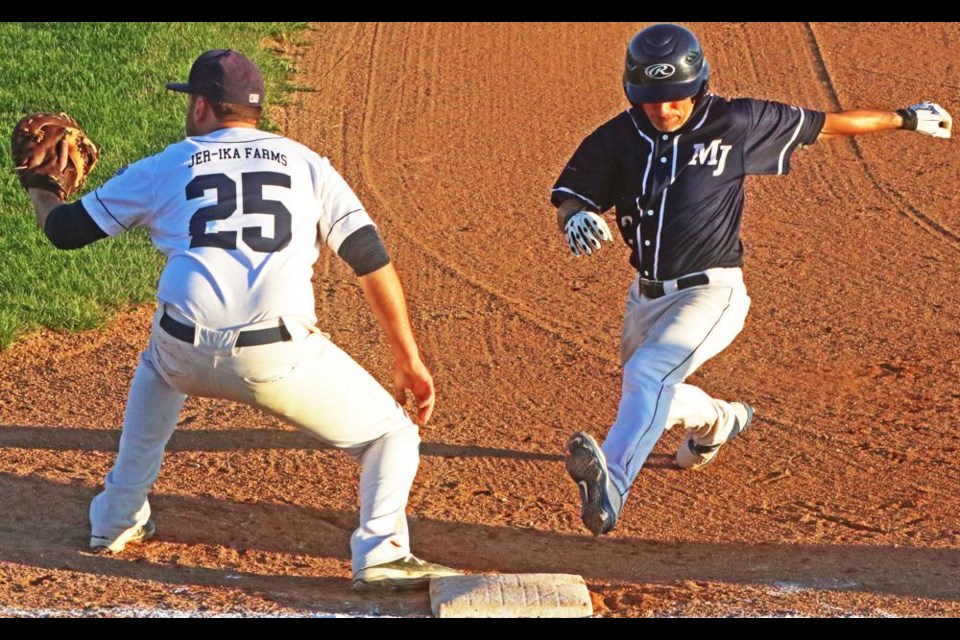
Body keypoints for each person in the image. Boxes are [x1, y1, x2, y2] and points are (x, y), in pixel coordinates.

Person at [25, 49, 462, 591]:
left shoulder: (169, 163)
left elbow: (65, 231)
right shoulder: (307, 164)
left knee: (158, 366)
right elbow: (370, 258)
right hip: (277, 357)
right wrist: (408, 360)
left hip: (182, 347)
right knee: (392, 435)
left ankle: (116, 516)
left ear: (202, 106)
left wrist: (40, 190)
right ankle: (381, 552)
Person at [553, 24, 952, 537]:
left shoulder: (737, 122)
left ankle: (611, 486)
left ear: (697, 86)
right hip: (645, 297)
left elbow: (827, 126)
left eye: (675, 98)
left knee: (648, 375)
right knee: (654, 388)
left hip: (711, 292)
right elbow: (572, 193)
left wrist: (905, 118)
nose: (663, 110)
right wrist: (574, 216)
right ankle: (719, 421)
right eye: (651, 100)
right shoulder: (618, 137)